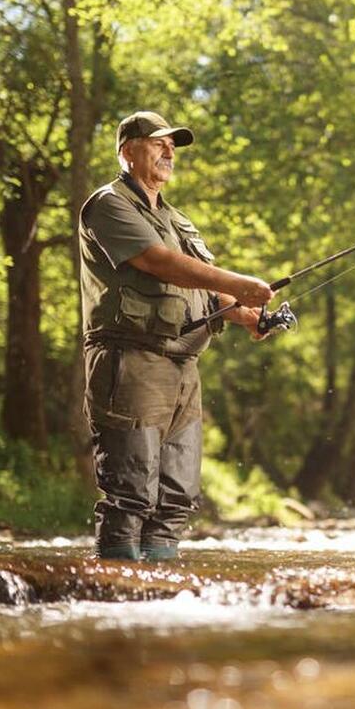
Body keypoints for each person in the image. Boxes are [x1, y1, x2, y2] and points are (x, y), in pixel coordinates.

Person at [78, 110, 274, 561]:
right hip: (132, 362)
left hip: (184, 369)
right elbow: (156, 262)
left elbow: (204, 285)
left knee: (175, 501)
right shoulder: (108, 205)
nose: (169, 150)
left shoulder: (178, 219)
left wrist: (246, 315)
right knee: (130, 495)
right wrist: (240, 280)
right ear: (127, 152)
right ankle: (116, 605)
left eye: (172, 144)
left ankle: (158, 604)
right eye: (157, 142)